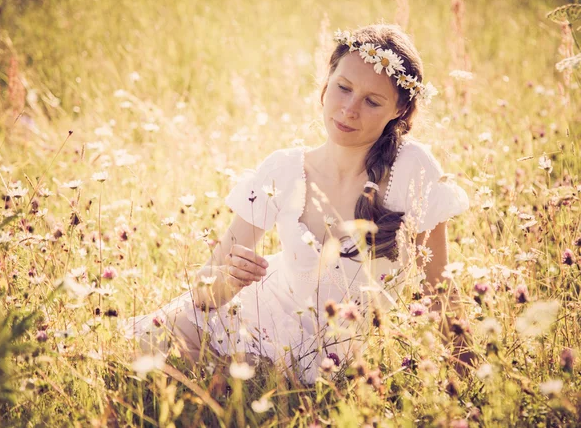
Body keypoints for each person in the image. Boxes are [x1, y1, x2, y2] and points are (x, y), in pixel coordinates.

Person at [123, 24, 470, 384]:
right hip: (265, 315)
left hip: (342, 347)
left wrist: (469, 385)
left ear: (399, 110)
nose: (349, 109)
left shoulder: (413, 168)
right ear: (326, 84)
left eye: (372, 101)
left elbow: (439, 292)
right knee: (153, 342)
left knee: (261, 383)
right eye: (343, 88)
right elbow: (204, 292)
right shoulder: (285, 168)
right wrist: (229, 280)